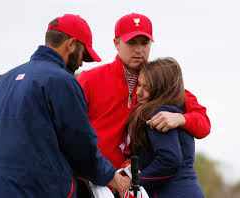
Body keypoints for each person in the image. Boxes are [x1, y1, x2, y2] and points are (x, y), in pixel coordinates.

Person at [0, 14, 128, 198]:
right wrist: (110, 176)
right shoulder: (62, 81)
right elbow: (81, 145)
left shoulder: (2, 80)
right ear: (71, 44)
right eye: (83, 54)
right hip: (38, 189)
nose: (81, 63)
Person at [77, 13, 211, 170]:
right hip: (92, 178)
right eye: (131, 42)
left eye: (145, 42)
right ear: (116, 43)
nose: (139, 50)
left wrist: (181, 118)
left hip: (136, 184)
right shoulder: (89, 79)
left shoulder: (164, 84)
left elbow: (204, 125)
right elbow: (70, 130)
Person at [126, 57, 205, 198]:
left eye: (147, 87)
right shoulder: (175, 109)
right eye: (139, 84)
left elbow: (170, 159)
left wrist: (135, 184)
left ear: (161, 89)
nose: (139, 92)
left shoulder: (161, 113)